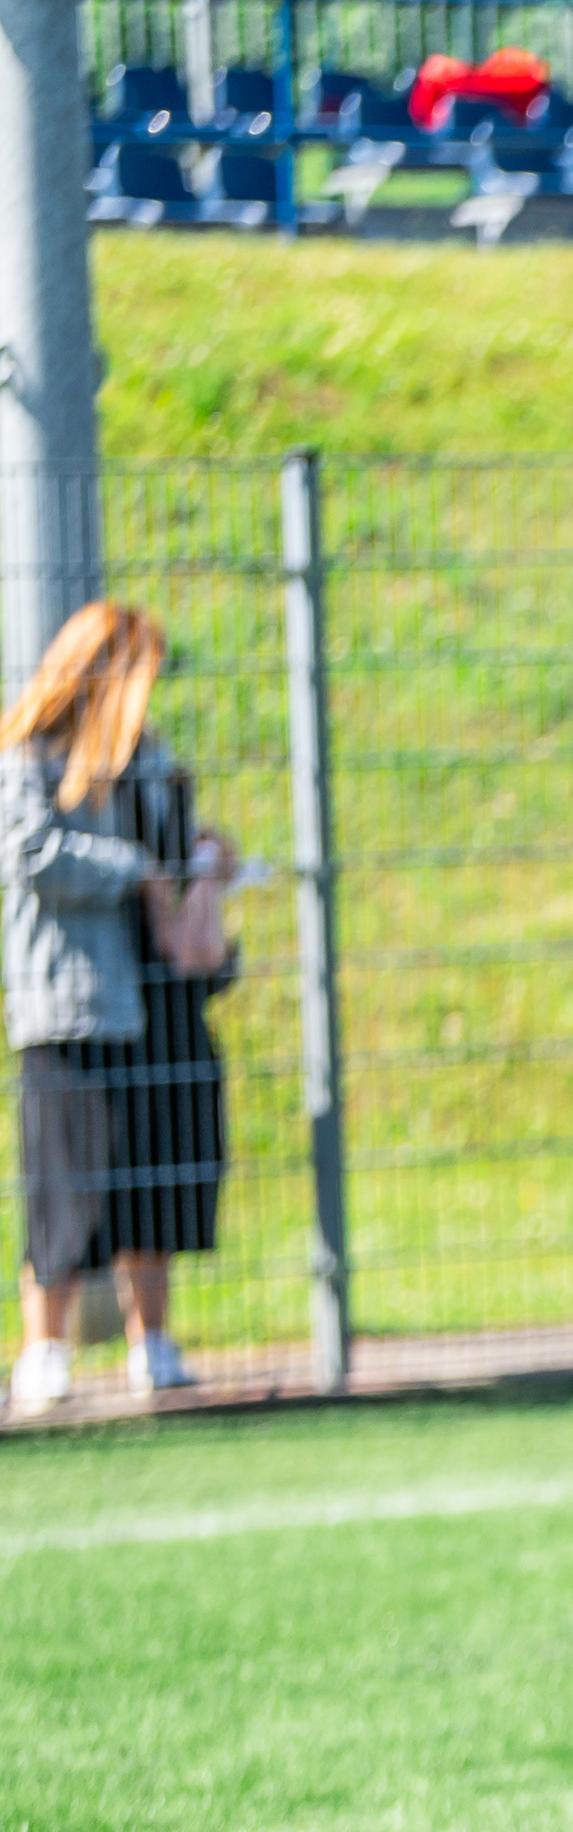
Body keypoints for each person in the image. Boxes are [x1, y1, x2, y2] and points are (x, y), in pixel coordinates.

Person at [5, 599, 232, 1412]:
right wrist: (130, 868)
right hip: (76, 1001)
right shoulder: (29, 758)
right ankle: (45, 1350)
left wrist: (207, 856)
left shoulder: (151, 760)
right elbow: (29, 853)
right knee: (64, 1186)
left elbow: (171, 850)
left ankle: (153, 1342)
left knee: (151, 1176)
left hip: (155, 999)